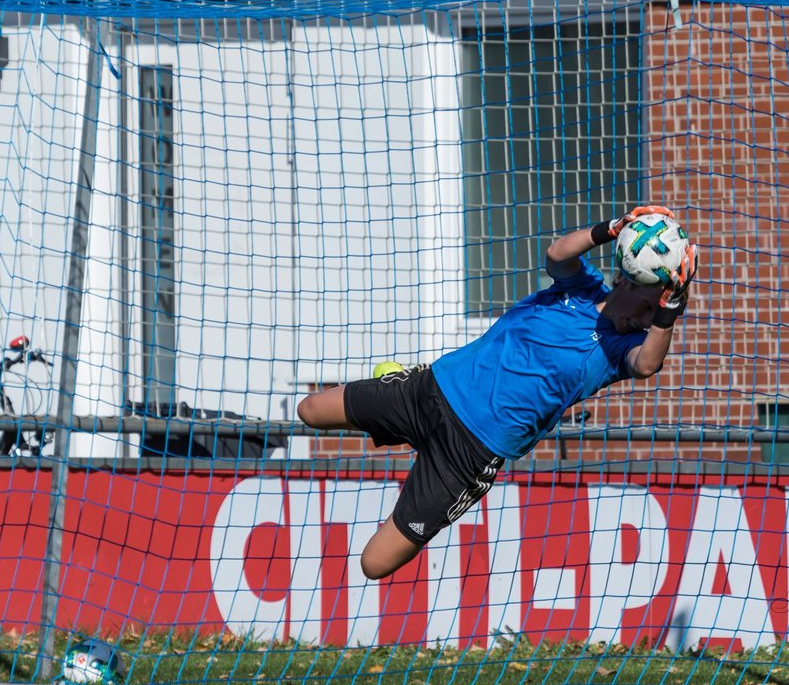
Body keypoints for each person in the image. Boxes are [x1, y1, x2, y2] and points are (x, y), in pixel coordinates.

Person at [296, 205, 698, 579]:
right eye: (649, 308)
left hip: (468, 454)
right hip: (432, 390)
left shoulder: (618, 349)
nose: (647, 320)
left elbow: (647, 364)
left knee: (374, 563)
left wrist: (669, 309)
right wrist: (611, 228)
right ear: (626, 278)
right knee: (310, 410)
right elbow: (557, 253)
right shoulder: (581, 288)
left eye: (656, 315)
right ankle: (399, 390)